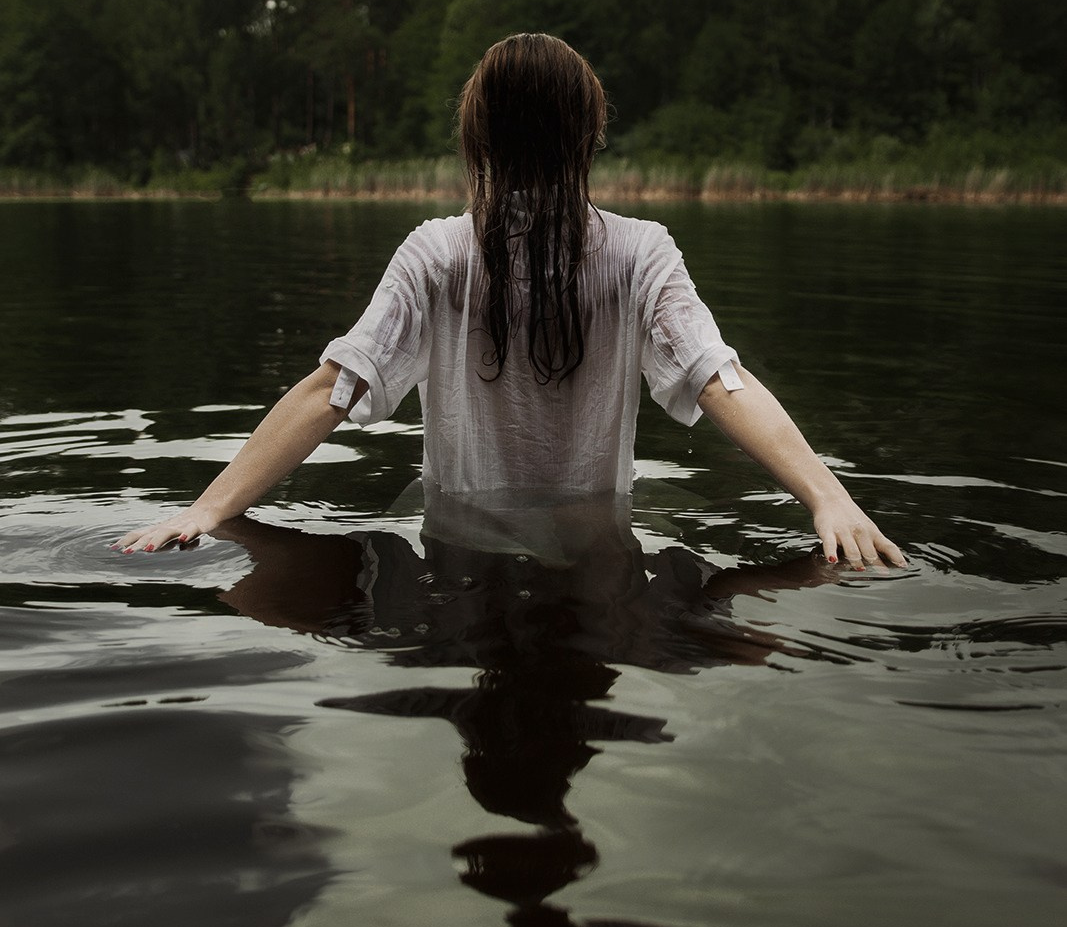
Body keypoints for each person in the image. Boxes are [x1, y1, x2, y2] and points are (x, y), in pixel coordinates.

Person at [116, 33, 906, 571]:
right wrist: (828, 499)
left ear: (478, 138)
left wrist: (209, 511)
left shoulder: (437, 250)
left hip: (458, 536)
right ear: (589, 132)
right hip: (598, 536)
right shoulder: (639, 250)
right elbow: (716, 379)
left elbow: (334, 387)